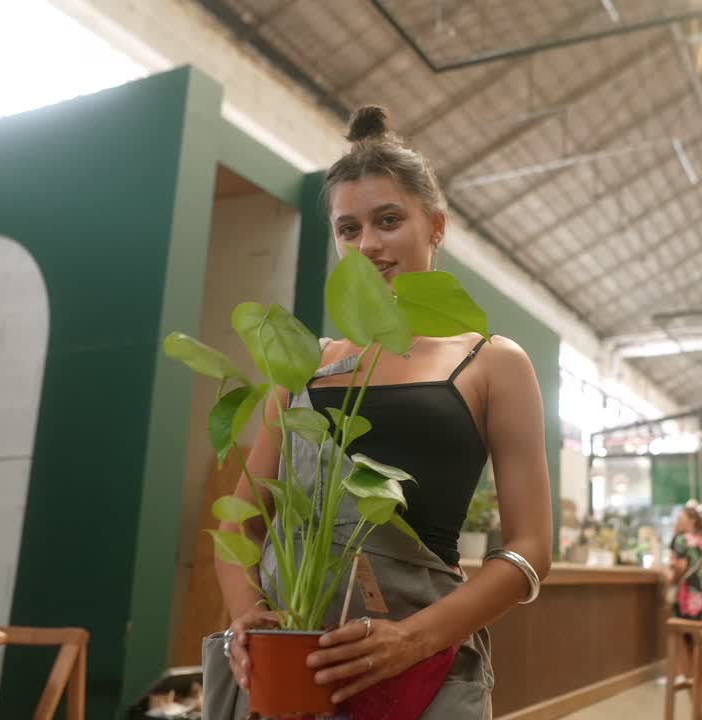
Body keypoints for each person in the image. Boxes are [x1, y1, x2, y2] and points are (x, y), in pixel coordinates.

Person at [216, 105, 553, 719]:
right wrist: (246, 616)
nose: (368, 244)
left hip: (429, 674)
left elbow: (530, 548)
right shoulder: (305, 367)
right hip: (296, 669)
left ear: (437, 225)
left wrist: (416, 637)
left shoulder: (490, 362)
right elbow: (241, 523)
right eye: (348, 229)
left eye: (389, 220)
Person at [667, 504, 702, 620]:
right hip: (700, 591)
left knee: (682, 631)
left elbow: (681, 567)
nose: (677, 522)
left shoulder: (681, 539)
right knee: (696, 632)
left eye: (680, 519)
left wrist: (671, 581)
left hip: (685, 593)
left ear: (691, 521)